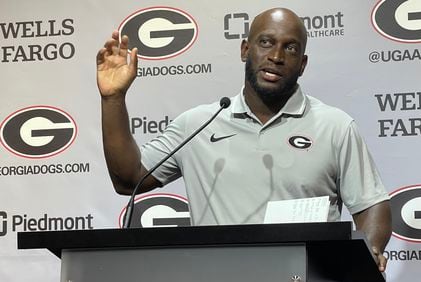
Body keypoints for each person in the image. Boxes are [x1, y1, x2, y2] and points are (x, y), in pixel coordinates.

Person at [97, 7, 392, 272]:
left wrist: (365, 255)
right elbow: (128, 178)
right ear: (245, 49)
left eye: (289, 48)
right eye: (266, 43)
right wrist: (113, 98)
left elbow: (372, 206)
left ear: (302, 64)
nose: (276, 57)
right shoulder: (198, 124)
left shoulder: (335, 126)